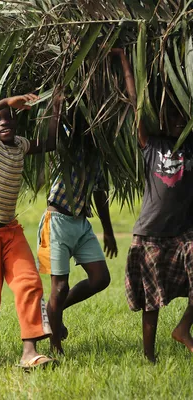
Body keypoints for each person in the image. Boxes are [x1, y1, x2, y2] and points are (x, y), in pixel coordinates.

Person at [0, 93, 60, 369]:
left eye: (8, 118)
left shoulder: (19, 145)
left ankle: (30, 353)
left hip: (11, 231)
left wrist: (56, 103)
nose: (4, 122)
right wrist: (6, 102)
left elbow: (50, 143)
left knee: (30, 283)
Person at [113, 48, 193, 362]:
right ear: (161, 119)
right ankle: (149, 358)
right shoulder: (151, 145)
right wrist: (125, 63)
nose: (176, 122)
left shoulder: (191, 148)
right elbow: (136, 104)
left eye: (181, 116)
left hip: (184, 234)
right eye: (170, 116)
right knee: (151, 301)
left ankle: (183, 329)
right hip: (149, 234)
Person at [36, 137, 118, 355]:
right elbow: (57, 132)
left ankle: (52, 310)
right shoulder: (68, 144)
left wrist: (108, 230)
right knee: (60, 287)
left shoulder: (98, 155)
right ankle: (55, 348)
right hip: (57, 222)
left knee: (101, 278)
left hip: (81, 224)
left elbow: (100, 192)